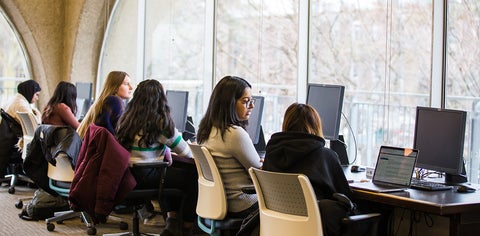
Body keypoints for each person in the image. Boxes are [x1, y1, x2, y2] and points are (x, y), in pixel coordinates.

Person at [115, 79, 196, 236]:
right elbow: (187, 153)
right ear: (161, 99)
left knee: (170, 172)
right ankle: (187, 225)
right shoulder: (160, 122)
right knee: (191, 176)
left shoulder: (126, 119)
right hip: (146, 176)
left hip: (126, 176)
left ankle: (172, 220)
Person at [262, 103, 354, 236]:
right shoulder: (325, 155)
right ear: (316, 126)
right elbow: (346, 195)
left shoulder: (272, 152)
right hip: (312, 224)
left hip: (279, 224)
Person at [196, 75, 262, 220]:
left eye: (252, 101)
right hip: (242, 203)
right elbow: (259, 173)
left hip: (218, 202)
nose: (252, 106)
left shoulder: (207, 129)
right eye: (246, 101)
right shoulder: (234, 134)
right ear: (230, 103)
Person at [0, 80, 42, 178]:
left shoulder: (15, 99)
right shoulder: (21, 105)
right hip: (14, 144)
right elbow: (36, 127)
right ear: (29, 92)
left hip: (6, 141)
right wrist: (39, 115)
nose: (37, 98)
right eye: (36, 94)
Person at [76, 71, 133, 138]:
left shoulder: (104, 101)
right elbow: (114, 133)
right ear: (115, 87)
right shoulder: (114, 101)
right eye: (126, 84)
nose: (131, 87)